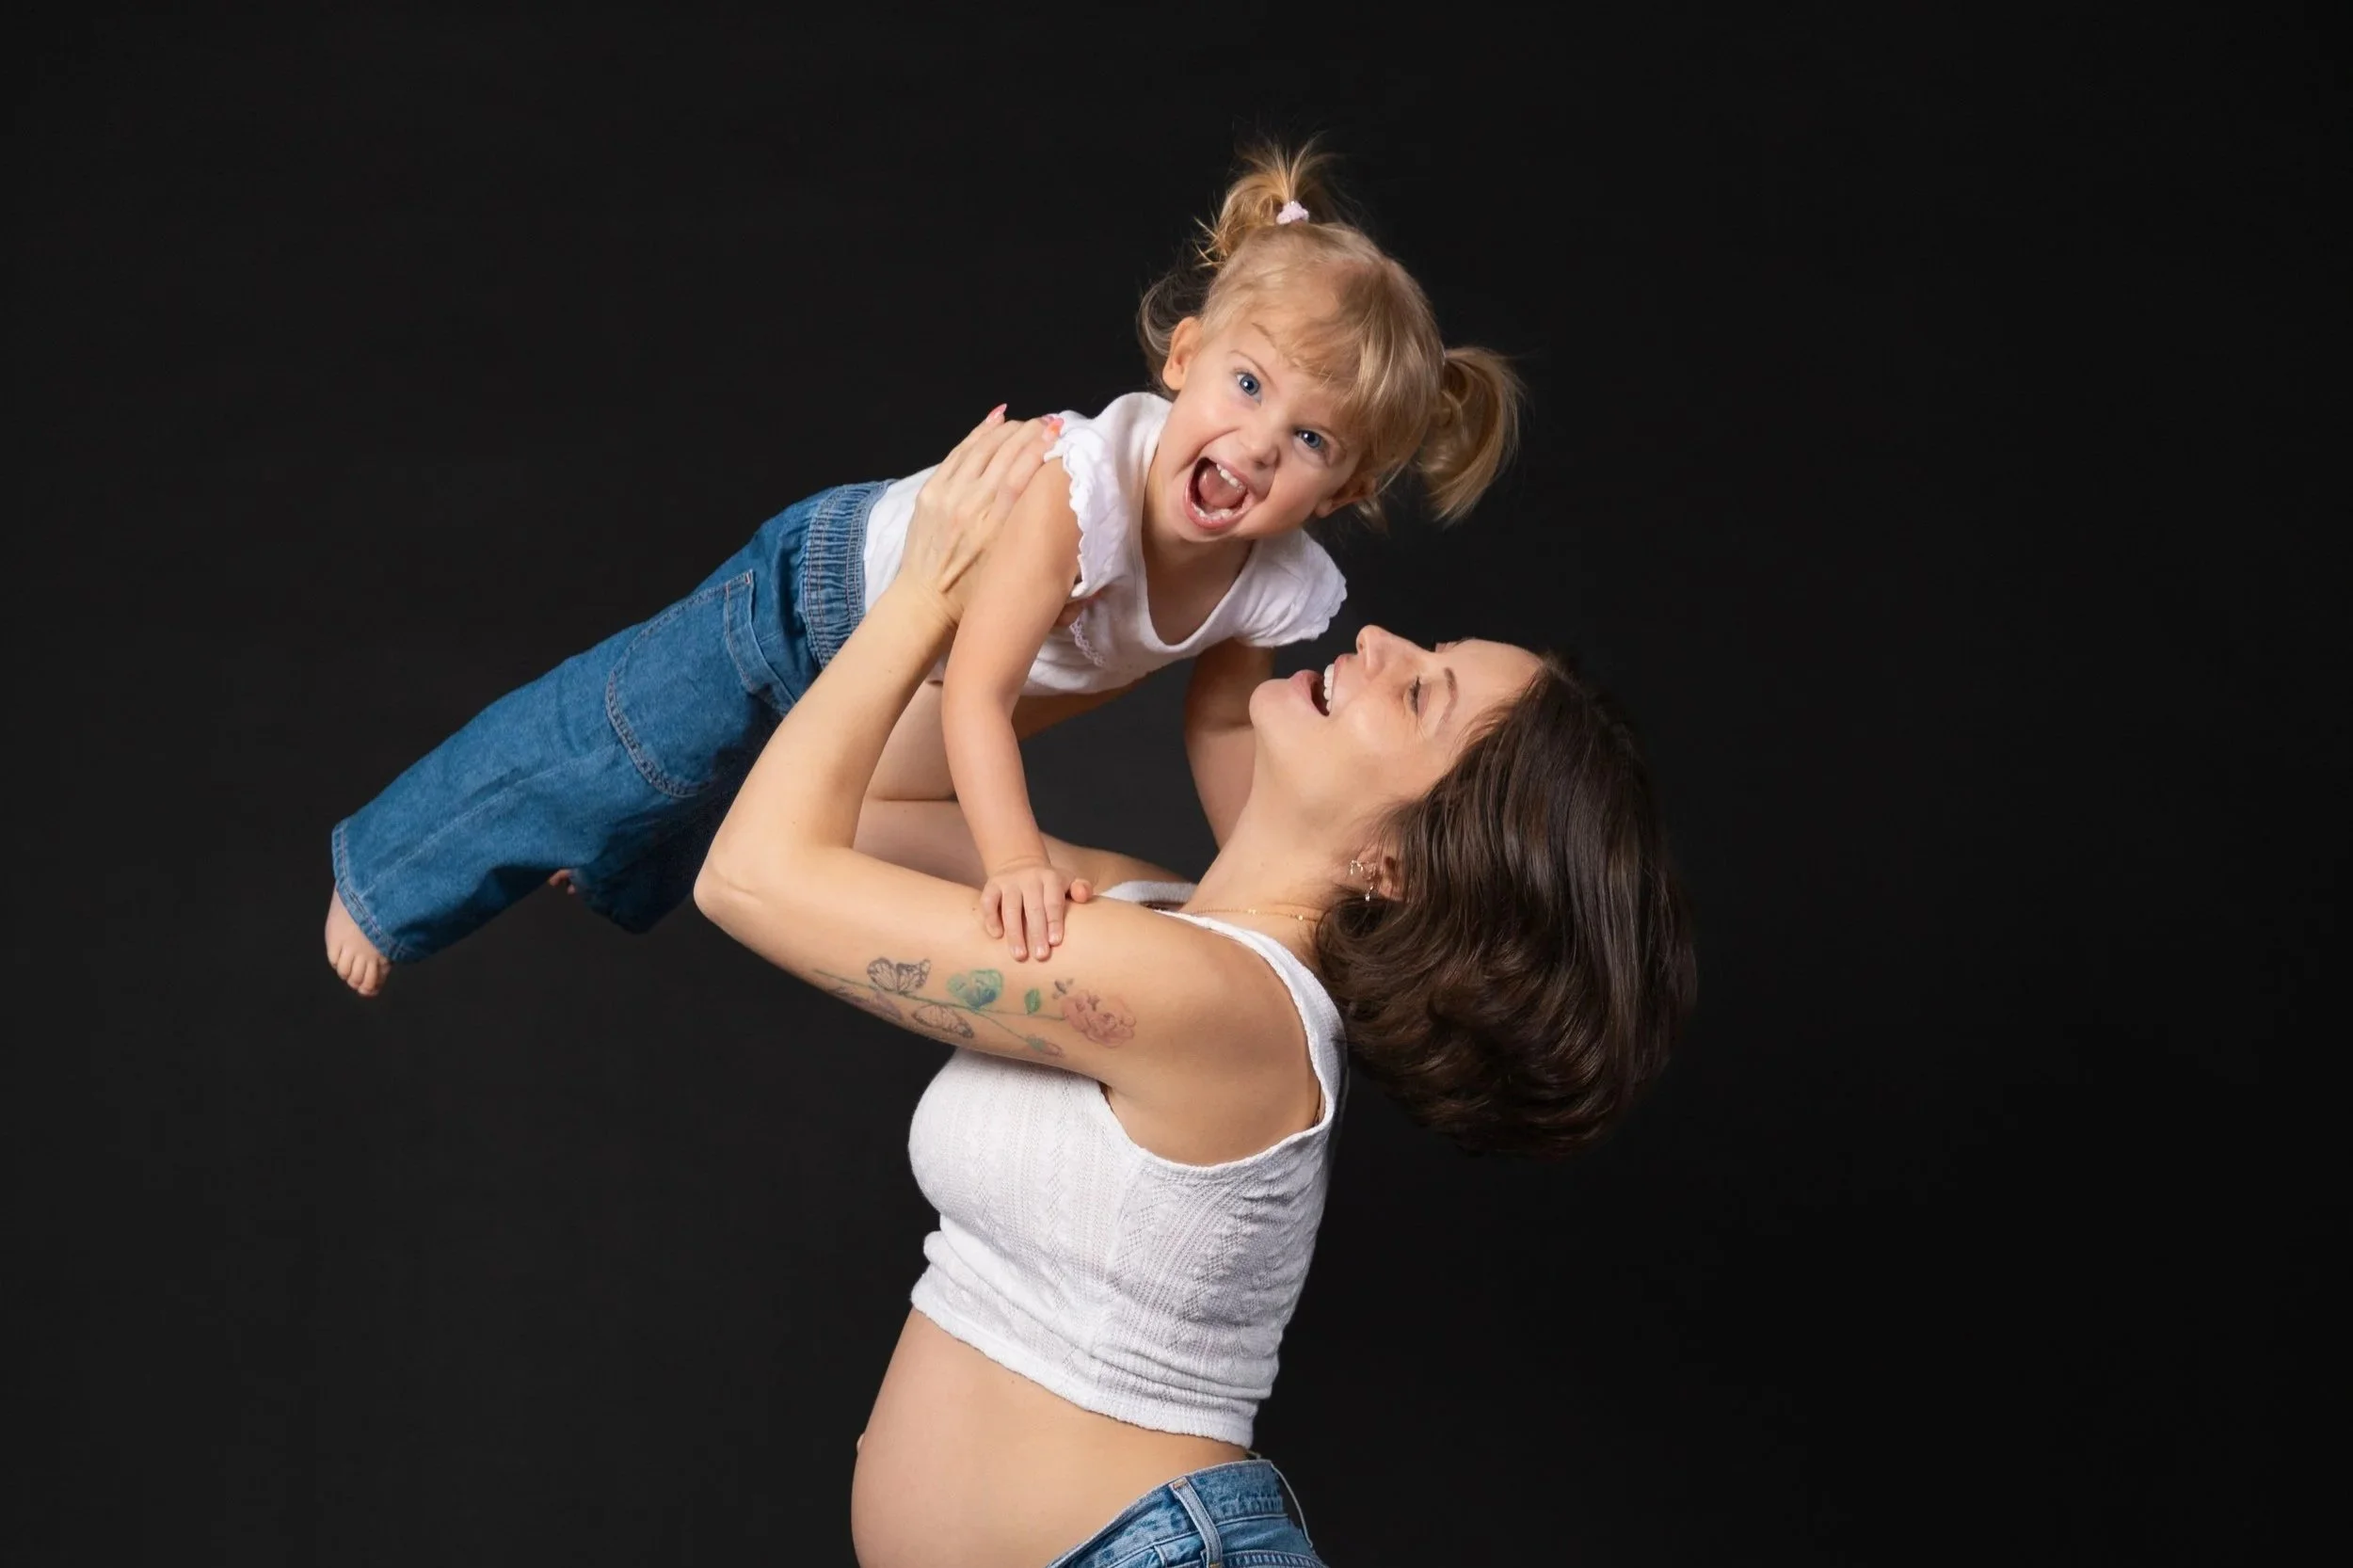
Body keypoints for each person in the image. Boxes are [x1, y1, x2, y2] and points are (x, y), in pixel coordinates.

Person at [694, 410, 1696, 1566]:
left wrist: (929, 589)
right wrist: (1039, 632)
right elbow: (870, 807)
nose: (1377, 641)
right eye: (1426, 650)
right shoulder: (1150, 918)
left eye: (1420, 695)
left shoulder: (1217, 1010)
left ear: (1397, 865)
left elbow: (752, 875)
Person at [324, 141, 1523, 996]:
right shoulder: (1077, 491)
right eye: (1248, 387)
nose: (1258, 443)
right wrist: (1014, 865)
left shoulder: (1271, 581)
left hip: (910, 680)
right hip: (826, 592)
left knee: (713, 788)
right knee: (627, 731)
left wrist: (1235, 889)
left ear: (1347, 490)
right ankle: (389, 876)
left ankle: (597, 838)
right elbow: (985, 700)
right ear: (1186, 358)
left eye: (1308, 441)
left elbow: (1221, 732)